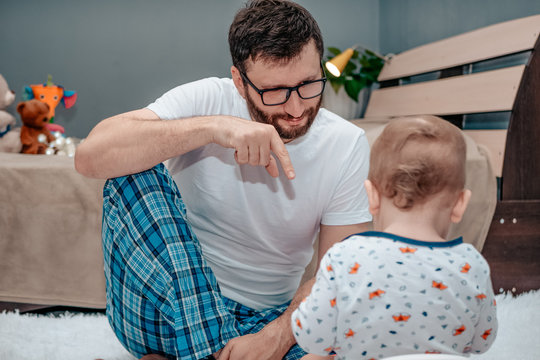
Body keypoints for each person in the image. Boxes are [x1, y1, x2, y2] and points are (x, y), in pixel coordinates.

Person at [75, 1, 371, 359]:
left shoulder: (347, 143)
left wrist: (276, 337)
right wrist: (215, 128)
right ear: (239, 82)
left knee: (350, 337)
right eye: (274, 91)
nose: (295, 108)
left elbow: (338, 271)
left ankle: (192, 353)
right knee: (132, 173)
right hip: (163, 308)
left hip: (261, 322)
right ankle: (212, 348)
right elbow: (90, 156)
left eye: (308, 84)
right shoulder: (207, 98)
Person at [291, 116, 498, 360]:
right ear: (460, 204)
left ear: (372, 196)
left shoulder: (345, 257)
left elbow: (312, 336)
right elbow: (483, 340)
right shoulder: (472, 266)